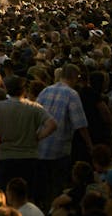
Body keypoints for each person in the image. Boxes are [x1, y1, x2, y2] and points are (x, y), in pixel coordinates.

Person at [36, 64, 91, 207]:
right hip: (59, 149)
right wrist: (89, 144)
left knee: (43, 187)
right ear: (75, 78)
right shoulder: (72, 94)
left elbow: (35, 115)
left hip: (41, 147)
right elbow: (80, 124)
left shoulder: (46, 90)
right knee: (57, 187)